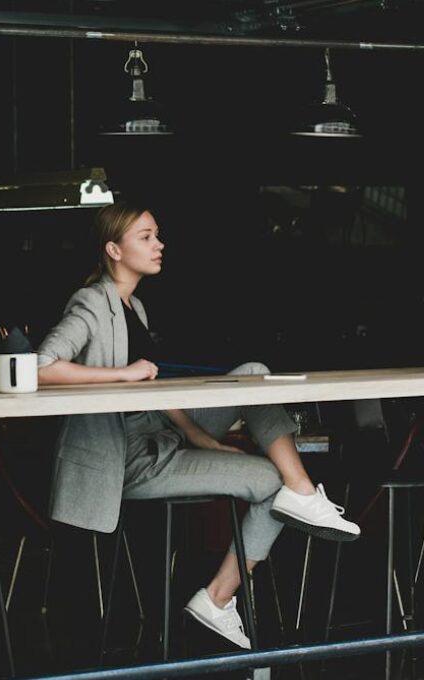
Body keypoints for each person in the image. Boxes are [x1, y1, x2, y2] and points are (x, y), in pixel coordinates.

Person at [37, 201, 359, 650]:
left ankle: (301, 491)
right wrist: (122, 374)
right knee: (270, 483)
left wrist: (199, 436)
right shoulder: (92, 302)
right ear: (113, 249)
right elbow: (40, 367)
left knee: (252, 371)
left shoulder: (136, 308)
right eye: (146, 237)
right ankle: (220, 597)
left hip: (159, 435)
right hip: (127, 460)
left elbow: (151, 392)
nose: (159, 244)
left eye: (157, 235)